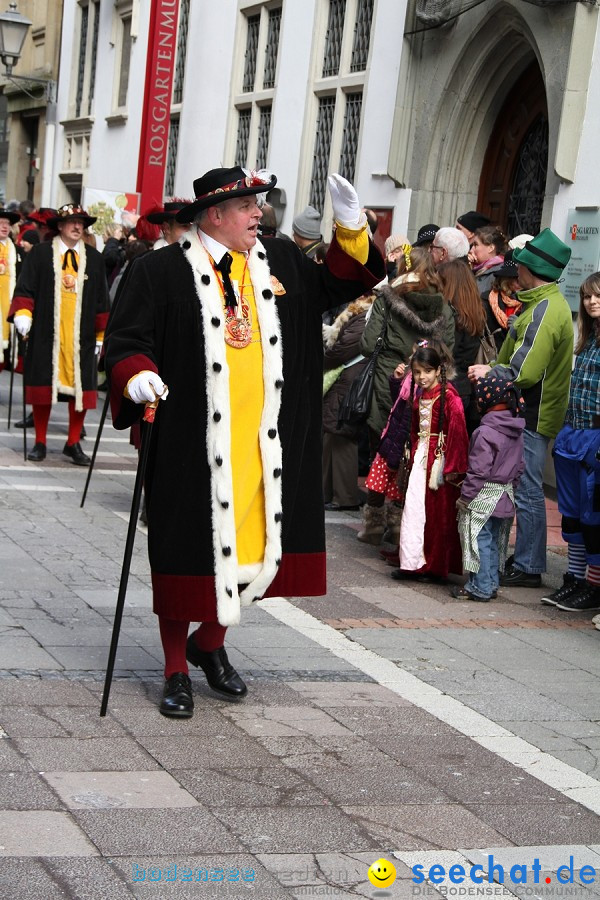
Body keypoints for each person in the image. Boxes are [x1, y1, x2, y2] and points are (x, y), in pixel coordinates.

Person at [103, 166, 384, 719]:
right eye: (249, 206)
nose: (260, 213)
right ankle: (175, 668)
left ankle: (209, 643)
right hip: (192, 443)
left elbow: (346, 280)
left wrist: (351, 226)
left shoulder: (280, 262)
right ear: (214, 215)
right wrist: (136, 373)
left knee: (259, 553)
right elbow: (126, 340)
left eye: (259, 204)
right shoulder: (157, 271)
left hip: (266, 444)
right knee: (186, 557)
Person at [468, 228, 573, 587]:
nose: (517, 273)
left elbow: (524, 370)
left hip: (533, 412)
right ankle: (524, 560)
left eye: (521, 267)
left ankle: (528, 565)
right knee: (524, 488)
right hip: (529, 410)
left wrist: (489, 370)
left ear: (530, 271)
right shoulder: (543, 303)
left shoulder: (546, 308)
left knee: (527, 490)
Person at [357, 246, 455, 545]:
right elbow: (447, 349)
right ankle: (400, 521)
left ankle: (374, 522)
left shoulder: (387, 300)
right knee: (413, 455)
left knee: (382, 452)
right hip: (424, 387)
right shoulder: (444, 307)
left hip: (390, 380)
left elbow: (366, 343)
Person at [8, 204, 110, 465]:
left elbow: (101, 300)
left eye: (81, 223)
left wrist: (101, 335)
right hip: (47, 333)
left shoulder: (94, 259)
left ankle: (73, 443)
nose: (77, 227)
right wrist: (22, 314)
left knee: (83, 392)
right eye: (72, 222)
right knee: (43, 388)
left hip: (82, 337)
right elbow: (26, 287)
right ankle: (40, 441)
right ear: (60, 226)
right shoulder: (41, 255)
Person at [543, 273, 600, 612]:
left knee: (593, 517)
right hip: (573, 434)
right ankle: (576, 579)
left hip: (595, 437)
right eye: (587, 296)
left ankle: (594, 586)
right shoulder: (588, 339)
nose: (592, 301)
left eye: (597, 296)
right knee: (572, 515)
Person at [391, 344, 468, 581]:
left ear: (438, 371)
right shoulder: (421, 395)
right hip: (420, 457)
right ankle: (412, 562)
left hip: (438, 461)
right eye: (417, 372)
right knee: (414, 510)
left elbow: (459, 433)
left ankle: (435, 566)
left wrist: (453, 469)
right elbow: (413, 429)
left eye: (427, 371)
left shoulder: (450, 398)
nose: (422, 377)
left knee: (437, 514)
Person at [453, 376, 525, 601]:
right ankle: (491, 583)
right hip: (505, 494)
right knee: (494, 542)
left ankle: (480, 586)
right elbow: (520, 466)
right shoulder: (517, 430)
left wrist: (466, 496)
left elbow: (478, 470)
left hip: (483, 495)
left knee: (478, 541)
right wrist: (510, 487)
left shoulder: (484, 433)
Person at [322, 293, 374, 511]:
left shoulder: (365, 316)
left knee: (341, 433)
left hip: (352, 378)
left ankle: (345, 496)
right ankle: (329, 492)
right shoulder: (361, 313)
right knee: (332, 432)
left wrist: (324, 356)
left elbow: (345, 348)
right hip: (348, 376)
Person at [437, 259, 486, 423]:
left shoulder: (451, 317)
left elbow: (444, 353)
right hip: (465, 388)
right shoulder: (475, 314)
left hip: (447, 388)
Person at [481, 250, 522, 352]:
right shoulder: (486, 300)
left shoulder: (530, 303)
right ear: (506, 279)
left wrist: (519, 328)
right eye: (516, 279)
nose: (521, 282)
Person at [0, 206, 20, 370]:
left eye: (7, 223)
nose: (5, 226)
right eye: (1, 223)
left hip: (7, 306)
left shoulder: (15, 251)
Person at [469, 225, 507, 296]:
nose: (471, 250)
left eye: (476, 245)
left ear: (491, 248)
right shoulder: (474, 267)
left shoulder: (498, 274)